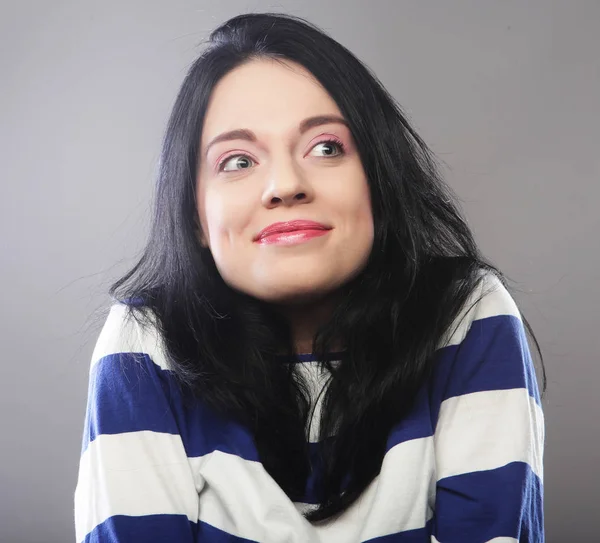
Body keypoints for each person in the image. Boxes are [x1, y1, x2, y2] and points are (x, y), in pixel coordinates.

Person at [74, 12, 545, 543]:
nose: (284, 185)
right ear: (196, 217)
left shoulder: (466, 318)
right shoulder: (145, 347)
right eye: (236, 160)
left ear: (379, 180)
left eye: (326, 147)